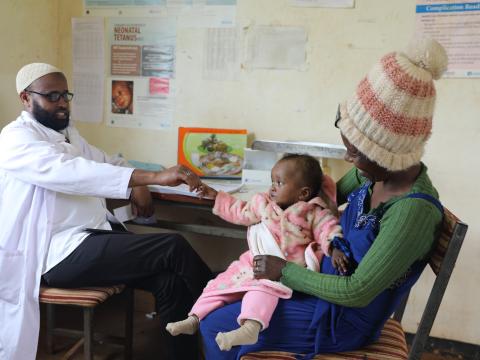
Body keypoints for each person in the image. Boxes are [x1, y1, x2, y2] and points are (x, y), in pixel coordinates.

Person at [199, 37, 447, 359]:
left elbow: (357, 291)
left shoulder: (412, 212)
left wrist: (283, 270)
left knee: (216, 324)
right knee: (232, 295)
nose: (348, 157)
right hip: (318, 280)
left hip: (341, 318)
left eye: (355, 152)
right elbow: (316, 196)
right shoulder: (370, 175)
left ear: (387, 155)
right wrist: (275, 208)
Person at [0, 63, 212, 360]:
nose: (62, 102)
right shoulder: (15, 139)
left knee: (170, 282)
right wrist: (151, 178)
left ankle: (186, 355)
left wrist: (138, 184)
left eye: (65, 95)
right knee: (171, 246)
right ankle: (226, 313)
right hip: (54, 255)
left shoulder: (67, 135)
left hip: (89, 239)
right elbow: (73, 172)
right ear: (25, 98)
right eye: (52, 96)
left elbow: (106, 162)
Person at [166, 154, 346, 351]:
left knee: (261, 290)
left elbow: (328, 229)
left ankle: (250, 327)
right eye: (272, 181)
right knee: (219, 284)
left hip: (283, 269)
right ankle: (194, 318)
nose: (272, 187)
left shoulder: (313, 212)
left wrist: (335, 247)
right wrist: (216, 196)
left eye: (279, 183)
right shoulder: (263, 204)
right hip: (254, 261)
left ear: (303, 193)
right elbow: (240, 211)